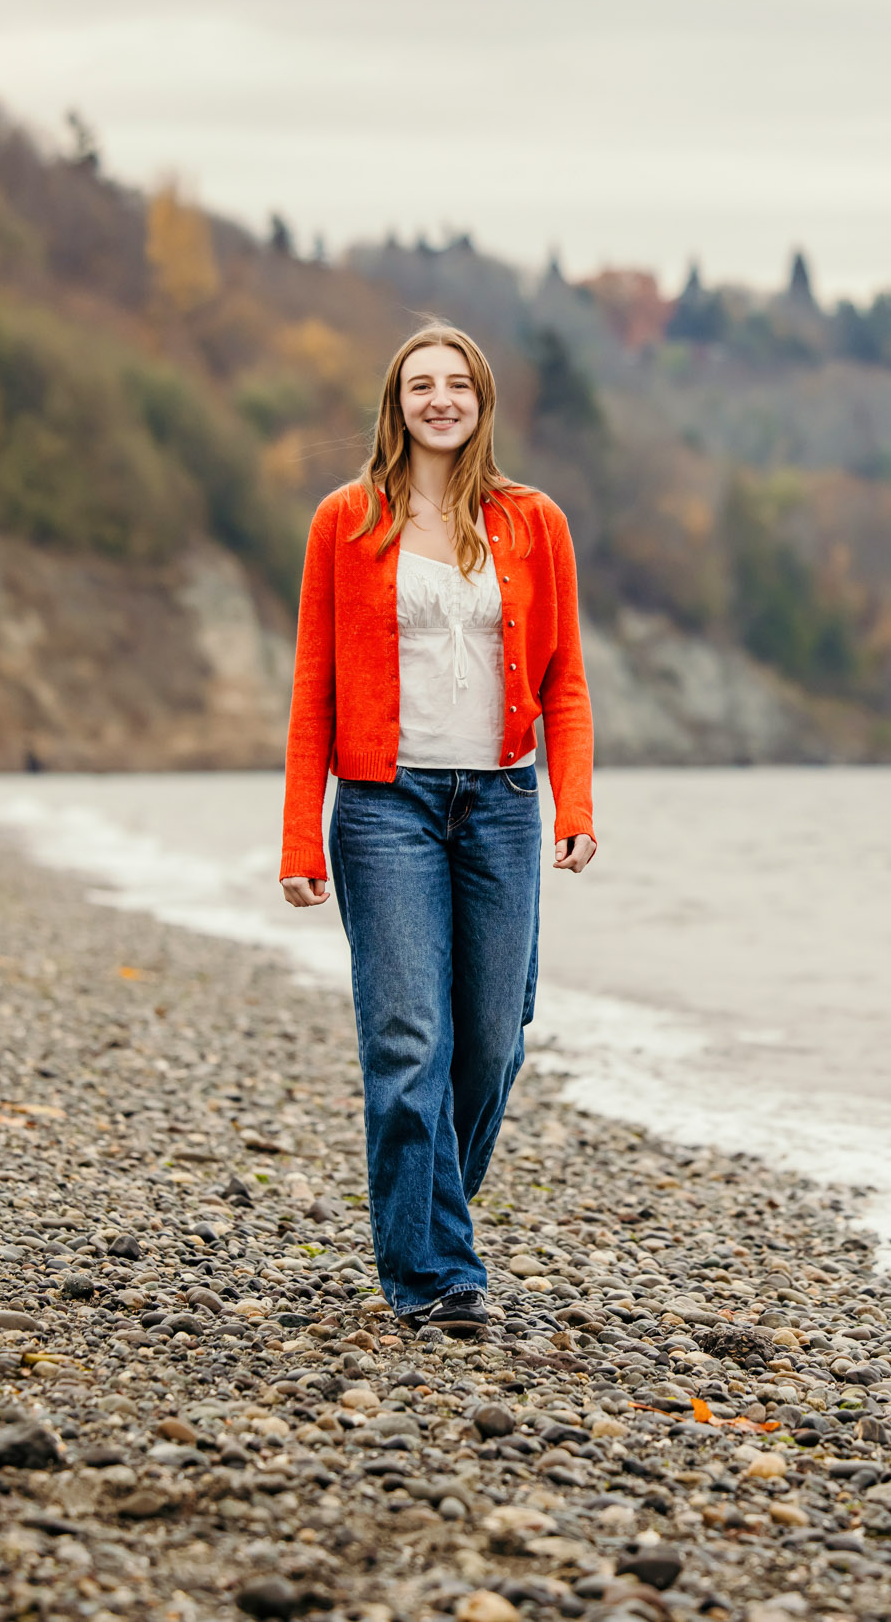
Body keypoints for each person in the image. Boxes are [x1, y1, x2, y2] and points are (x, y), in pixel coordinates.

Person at [277, 322, 597, 1337]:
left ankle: (424, 1218)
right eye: (422, 383)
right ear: (396, 401)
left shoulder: (534, 521)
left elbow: (566, 682)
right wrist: (297, 838)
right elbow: (312, 689)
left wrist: (575, 802)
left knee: (491, 1042)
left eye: (457, 382)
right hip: (385, 807)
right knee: (409, 1039)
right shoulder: (345, 520)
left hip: (502, 804)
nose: (440, 398)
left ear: (482, 400)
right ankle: (433, 1272)